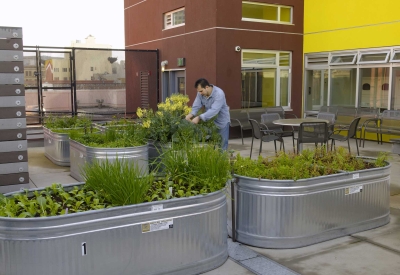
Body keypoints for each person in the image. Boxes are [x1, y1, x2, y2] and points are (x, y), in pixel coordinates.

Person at [185, 78, 230, 150]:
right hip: (210, 122)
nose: (200, 93)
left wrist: (199, 117)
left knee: (222, 146)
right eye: (199, 91)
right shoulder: (200, 93)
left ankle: (222, 159)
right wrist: (191, 114)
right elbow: (196, 105)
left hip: (222, 122)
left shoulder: (219, 94)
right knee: (211, 145)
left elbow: (214, 110)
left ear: (207, 87)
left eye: (201, 91)